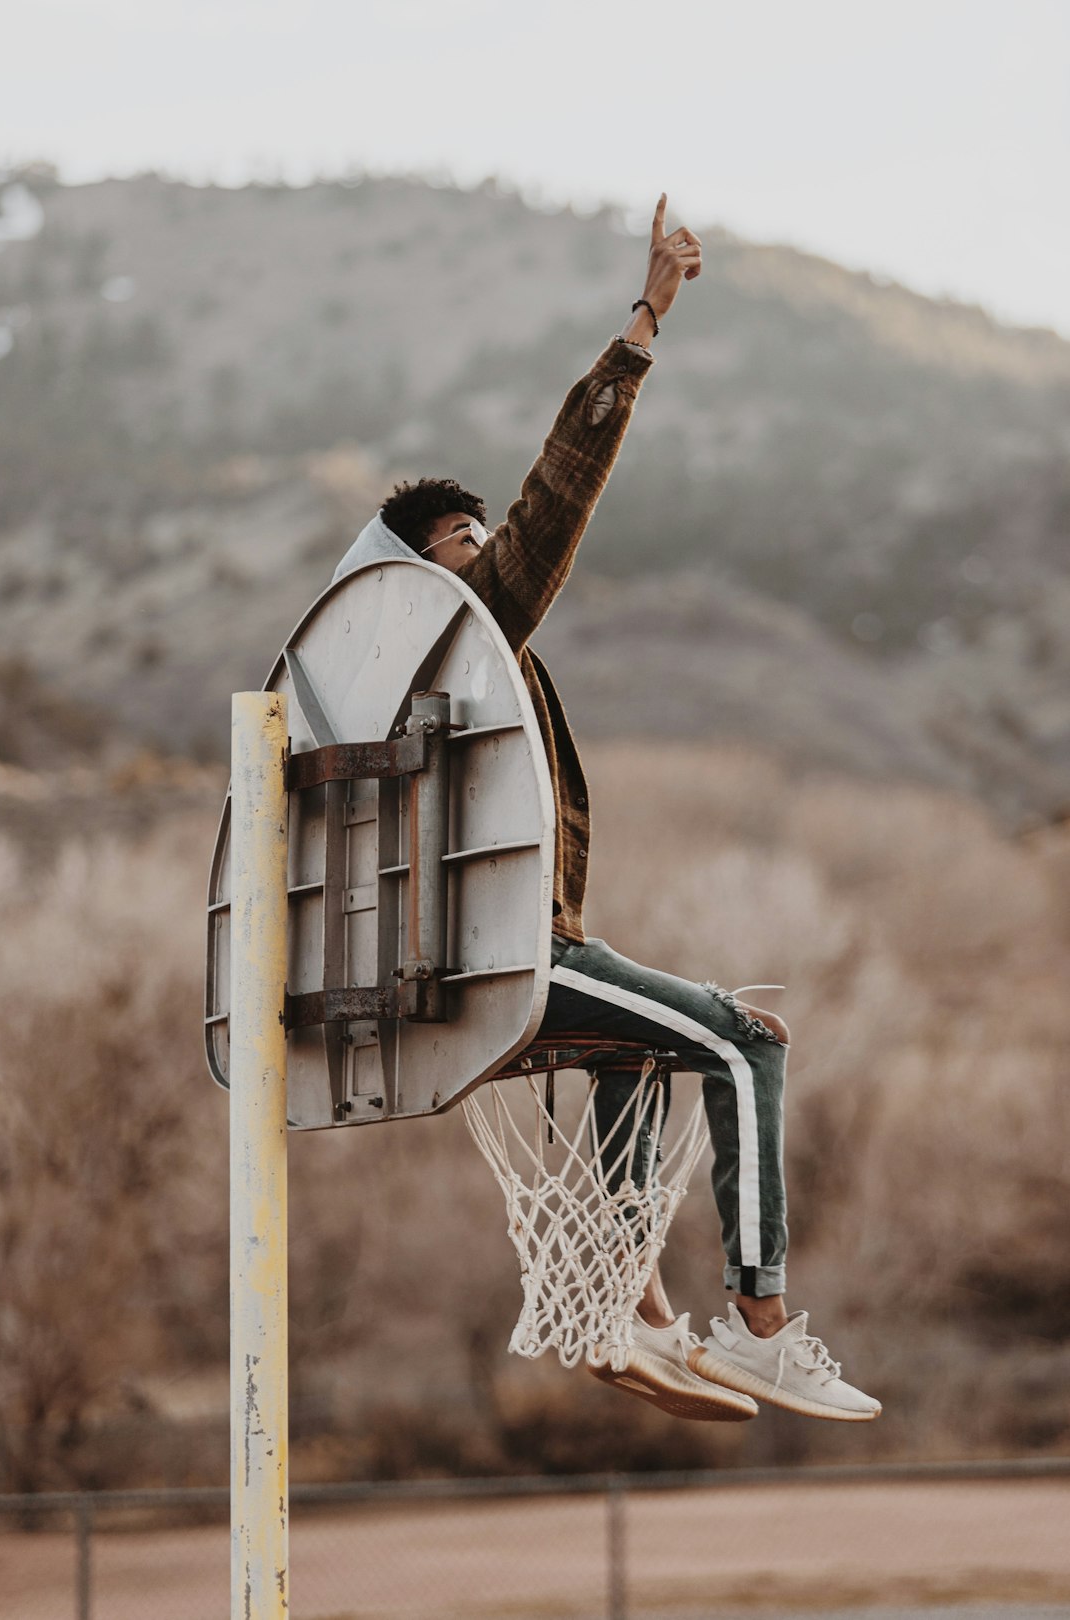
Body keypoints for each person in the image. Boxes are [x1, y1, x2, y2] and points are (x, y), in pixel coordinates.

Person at [331, 195, 880, 1425]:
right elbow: (553, 506)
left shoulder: (434, 685)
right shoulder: (439, 635)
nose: (486, 552)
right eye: (463, 539)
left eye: (476, 538)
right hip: (502, 962)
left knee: (661, 1041)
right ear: (417, 570)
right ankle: (761, 1326)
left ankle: (623, 1302)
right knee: (746, 1043)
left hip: (508, 953)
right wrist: (639, 330)